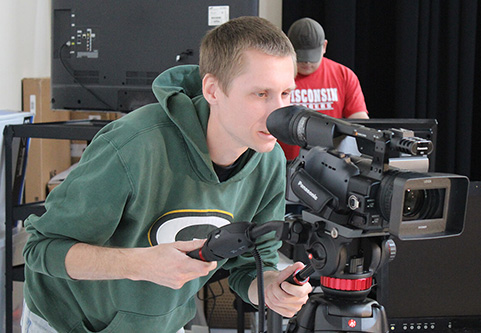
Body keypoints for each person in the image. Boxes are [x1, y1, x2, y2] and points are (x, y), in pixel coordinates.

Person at [21, 16, 312, 333]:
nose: (278, 113)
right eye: (260, 94)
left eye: (285, 94)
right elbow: (40, 249)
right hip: (67, 323)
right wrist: (140, 264)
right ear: (213, 90)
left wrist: (270, 288)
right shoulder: (133, 145)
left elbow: (251, 265)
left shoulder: (268, 161)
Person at [279, 17, 369, 160]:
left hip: (331, 163)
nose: (307, 62)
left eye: (311, 57)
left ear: (324, 47)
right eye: (301, 57)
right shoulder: (277, 76)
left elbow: (359, 121)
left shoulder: (344, 75)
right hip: (285, 162)